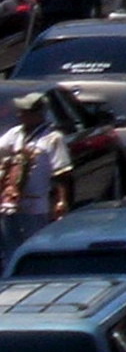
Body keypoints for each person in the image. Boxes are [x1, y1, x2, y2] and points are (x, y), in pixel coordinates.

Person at [0, 95, 68, 254]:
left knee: (36, 241)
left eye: (25, 112)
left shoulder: (52, 138)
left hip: (36, 202)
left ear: (37, 113)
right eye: (20, 112)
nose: (20, 115)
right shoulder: (15, 134)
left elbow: (61, 173)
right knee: (10, 243)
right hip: (11, 200)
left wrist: (61, 201)